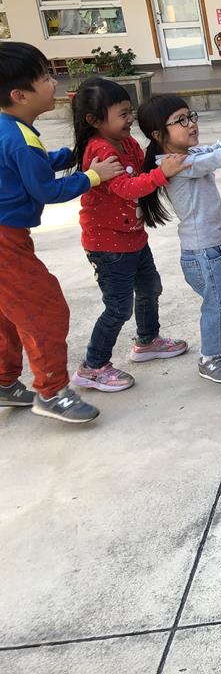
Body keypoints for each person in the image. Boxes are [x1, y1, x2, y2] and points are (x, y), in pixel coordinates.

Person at [0, 42, 123, 422]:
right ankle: (51, 392)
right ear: (20, 95)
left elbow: (35, 164)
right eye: (44, 78)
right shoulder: (19, 139)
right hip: (5, 241)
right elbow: (46, 190)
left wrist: (71, 155)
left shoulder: (11, 129)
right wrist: (93, 175)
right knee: (45, 310)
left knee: (8, 312)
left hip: (7, 235)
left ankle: (4, 382)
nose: (54, 83)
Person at [72, 77, 190, 393]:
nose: (130, 118)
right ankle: (93, 366)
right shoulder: (100, 151)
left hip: (133, 238)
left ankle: (147, 340)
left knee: (150, 287)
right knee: (118, 307)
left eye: (130, 111)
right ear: (94, 120)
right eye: (122, 114)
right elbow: (127, 187)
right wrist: (162, 174)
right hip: (107, 246)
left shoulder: (127, 143)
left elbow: (142, 168)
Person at [136, 95, 221, 384]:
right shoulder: (176, 163)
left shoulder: (187, 156)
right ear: (158, 134)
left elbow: (213, 150)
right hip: (203, 252)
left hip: (213, 245)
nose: (191, 124)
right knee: (219, 304)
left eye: (191, 116)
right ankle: (210, 357)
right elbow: (218, 158)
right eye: (181, 121)